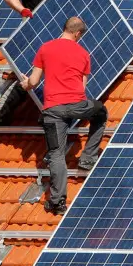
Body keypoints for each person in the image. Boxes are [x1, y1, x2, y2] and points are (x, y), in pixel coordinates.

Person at [28, 17, 107, 214]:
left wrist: (25, 84)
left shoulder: (45, 48)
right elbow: (82, 87)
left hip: (53, 110)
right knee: (101, 111)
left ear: (64, 28)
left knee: (56, 154)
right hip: (77, 106)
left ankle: (57, 203)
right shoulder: (83, 53)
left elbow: (34, 81)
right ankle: (88, 158)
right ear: (78, 33)